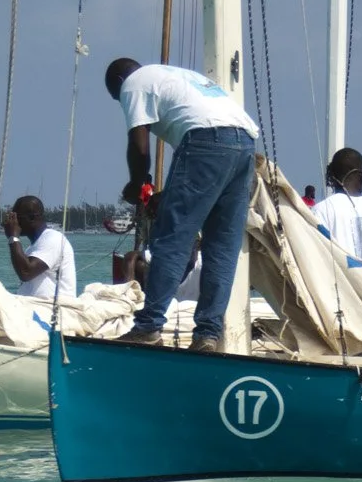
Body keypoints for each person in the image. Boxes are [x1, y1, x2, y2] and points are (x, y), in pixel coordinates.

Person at [103, 55, 259, 353]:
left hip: (205, 138)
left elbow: (139, 147)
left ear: (119, 83)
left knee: (172, 240)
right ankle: (207, 335)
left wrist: (137, 184)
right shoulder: (173, 76)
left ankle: (148, 327)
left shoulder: (132, 83)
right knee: (221, 248)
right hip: (244, 143)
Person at [3, 195, 77, 305]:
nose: (14, 222)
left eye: (16, 217)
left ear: (31, 217)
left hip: (54, 309)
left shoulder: (53, 238)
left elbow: (26, 272)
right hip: (34, 307)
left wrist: (13, 237)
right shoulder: (31, 249)